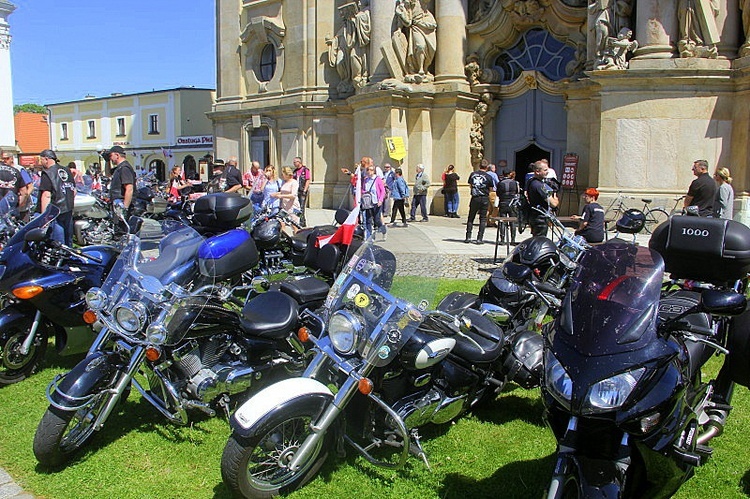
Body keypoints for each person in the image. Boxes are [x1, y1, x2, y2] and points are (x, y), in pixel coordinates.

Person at [326, 1, 371, 94]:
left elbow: (366, 31)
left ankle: (360, 78)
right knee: (340, 62)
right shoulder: (347, 23)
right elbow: (342, 35)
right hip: (348, 46)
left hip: (360, 46)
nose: (359, 3)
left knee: (353, 56)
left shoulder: (365, 13)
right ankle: (347, 80)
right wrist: (334, 41)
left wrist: (356, 20)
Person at [38, 149, 76, 245]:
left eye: (41, 159)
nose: (40, 162)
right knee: (68, 239)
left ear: (46, 159)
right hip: (68, 209)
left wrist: (44, 217)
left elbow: (46, 195)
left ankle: (61, 259)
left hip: (55, 211)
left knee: (58, 243)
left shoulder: (47, 173)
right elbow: (74, 191)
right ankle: (69, 258)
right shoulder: (67, 170)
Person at [394, 0, 437, 81]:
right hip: (416, 27)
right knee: (420, 46)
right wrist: (399, 29)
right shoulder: (407, 3)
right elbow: (406, 20)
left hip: (428, 22)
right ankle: (420, 69)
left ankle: (425, 68)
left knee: (432, 49)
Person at [526, 160, 559, 237]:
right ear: (537, 171)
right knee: (540, 242)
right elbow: (553, 204)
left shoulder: (531, 181)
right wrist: (555, 197)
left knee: (536, 240)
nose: (547, 172)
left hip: (534, 216)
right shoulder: (540, 186)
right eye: (545, 170)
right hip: (540, 218)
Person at [108, 145, 136, 232]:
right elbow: (108, 174)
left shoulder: (124, 168)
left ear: (117, 155)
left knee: (121, 232)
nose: (110, 158)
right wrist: (106, 161)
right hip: (117, 205)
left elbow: (129, 189)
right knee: (117, 231)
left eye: (110, 156)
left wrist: (124, 208)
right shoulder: (119, 168)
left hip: (121, 205)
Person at [465, 161, 494, 244]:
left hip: (475, 197)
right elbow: (491, 188)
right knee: (483, 219)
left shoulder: (473, 174)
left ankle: (468, 237)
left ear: (479, 166)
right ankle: (479, 238)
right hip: (484, 198)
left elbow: (470, 185)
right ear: (487, 167)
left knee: (471, 217)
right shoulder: (488, 176)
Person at [0, 151, 31, 218]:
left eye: (7, 158)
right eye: (3, 158)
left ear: (12, 159)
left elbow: (30, 187)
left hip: (18, 207)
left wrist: (21, 203)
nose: (4, 160)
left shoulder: (19, 170)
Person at [361, 162, 387, 240]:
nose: (369, 172)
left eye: (371, 170)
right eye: (368, 170)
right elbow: (362, 189)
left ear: (374, 171)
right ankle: (369, 237)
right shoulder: (365, 180)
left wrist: (380, 200)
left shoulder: (377, 179)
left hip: (376, 202)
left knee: (377, 219)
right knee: (368, 220)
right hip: (368, 203)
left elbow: (382, 191)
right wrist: (364, 193)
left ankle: (383, 230)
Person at [497, 171, 521, 244]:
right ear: (509, 174)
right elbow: (518, 192)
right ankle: (512, 240)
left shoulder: (500, 183)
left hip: (503, 202)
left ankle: (502, 239)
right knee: (512, 221)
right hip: (512, 203)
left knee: (502, 221)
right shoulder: (515, 183)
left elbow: (498, 193)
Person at [292, 157, 311, 226]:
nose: (294, 164)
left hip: (302, 190)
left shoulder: (305, 170)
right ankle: (299, 220)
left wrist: (305, 190)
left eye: (295, 162)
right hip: (296, 191)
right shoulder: (295, 171)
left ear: (299, 162)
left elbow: (308, 180)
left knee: (302, 207)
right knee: (297, 207)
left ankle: (302, 222)